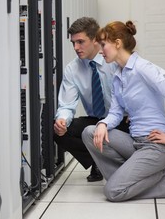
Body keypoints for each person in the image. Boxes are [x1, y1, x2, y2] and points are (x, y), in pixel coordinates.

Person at [82, 20, 165, 202]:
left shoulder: (142, 68)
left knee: (112, 192)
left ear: (117, 43)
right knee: (90, 132)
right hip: (135, 142)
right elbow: (116, 113)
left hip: (156, 146)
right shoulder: (118, 75)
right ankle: (133, 176)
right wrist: (102, 124)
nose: (100, 51)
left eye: (103, 45)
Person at [54, 17, 129, 182]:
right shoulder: (72, 69)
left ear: (96, 40)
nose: (76, 47)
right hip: (96, 121)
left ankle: (117, 161)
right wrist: (62, 120)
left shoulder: (113, 60)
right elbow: (67, 104)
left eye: (80, 42)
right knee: (58, 132)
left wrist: (135, 111)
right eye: (73, 43)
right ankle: (98, 160)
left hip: (122, 120)